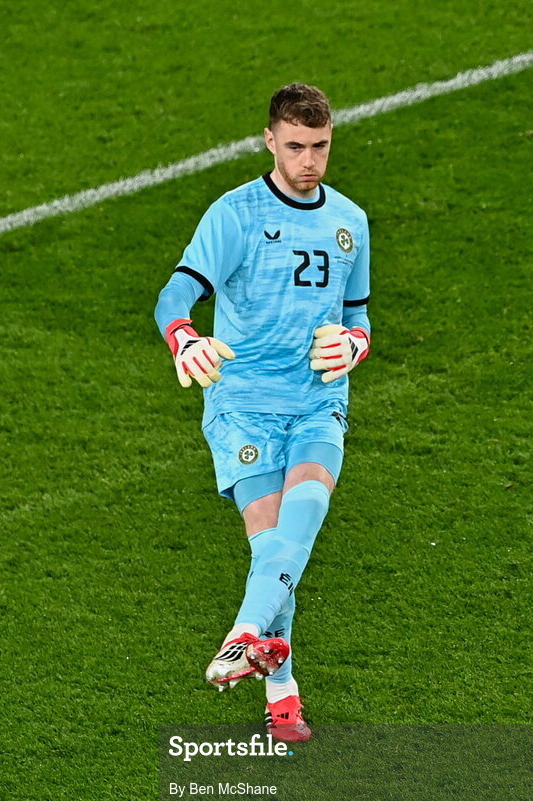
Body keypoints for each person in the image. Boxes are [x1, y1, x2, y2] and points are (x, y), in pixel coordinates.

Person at [154, 83, 371, 742]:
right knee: (273, 547)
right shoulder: (236, 214)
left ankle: (245, 637)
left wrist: (355, 345)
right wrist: (184, 336)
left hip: (315, 397)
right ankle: (280, 687)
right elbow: (176, 293)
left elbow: (357, 316)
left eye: (321, 146)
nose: (310, 160)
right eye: (297, 146)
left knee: (298, 527)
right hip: (243, 403)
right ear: (271, 141)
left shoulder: (351, 222)